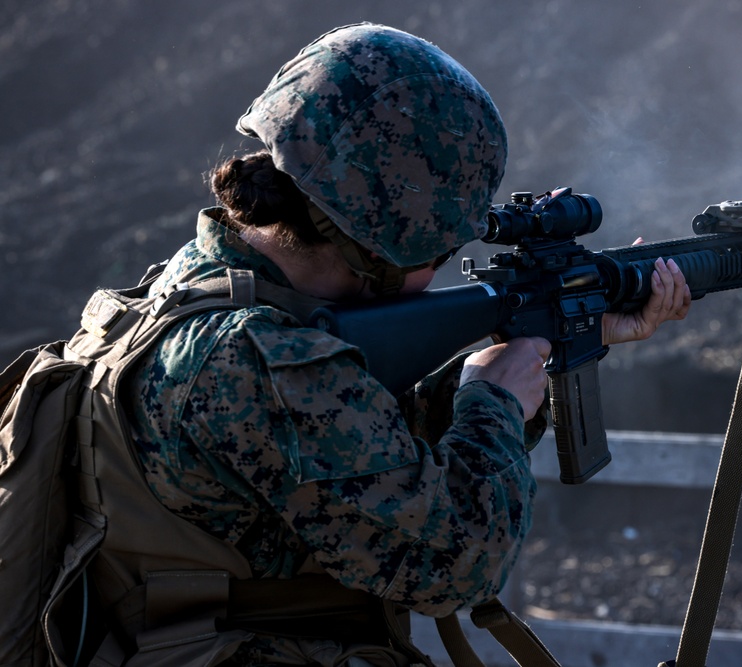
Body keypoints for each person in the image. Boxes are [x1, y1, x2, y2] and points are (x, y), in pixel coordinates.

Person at [88, 23, 691, 666]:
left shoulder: (199, 285)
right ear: (383, 239)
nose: (438, 269)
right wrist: (493, 402)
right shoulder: (264, 362)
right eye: (440, 249)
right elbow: (455, 565)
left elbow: (354, 453)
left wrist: (539, 349)